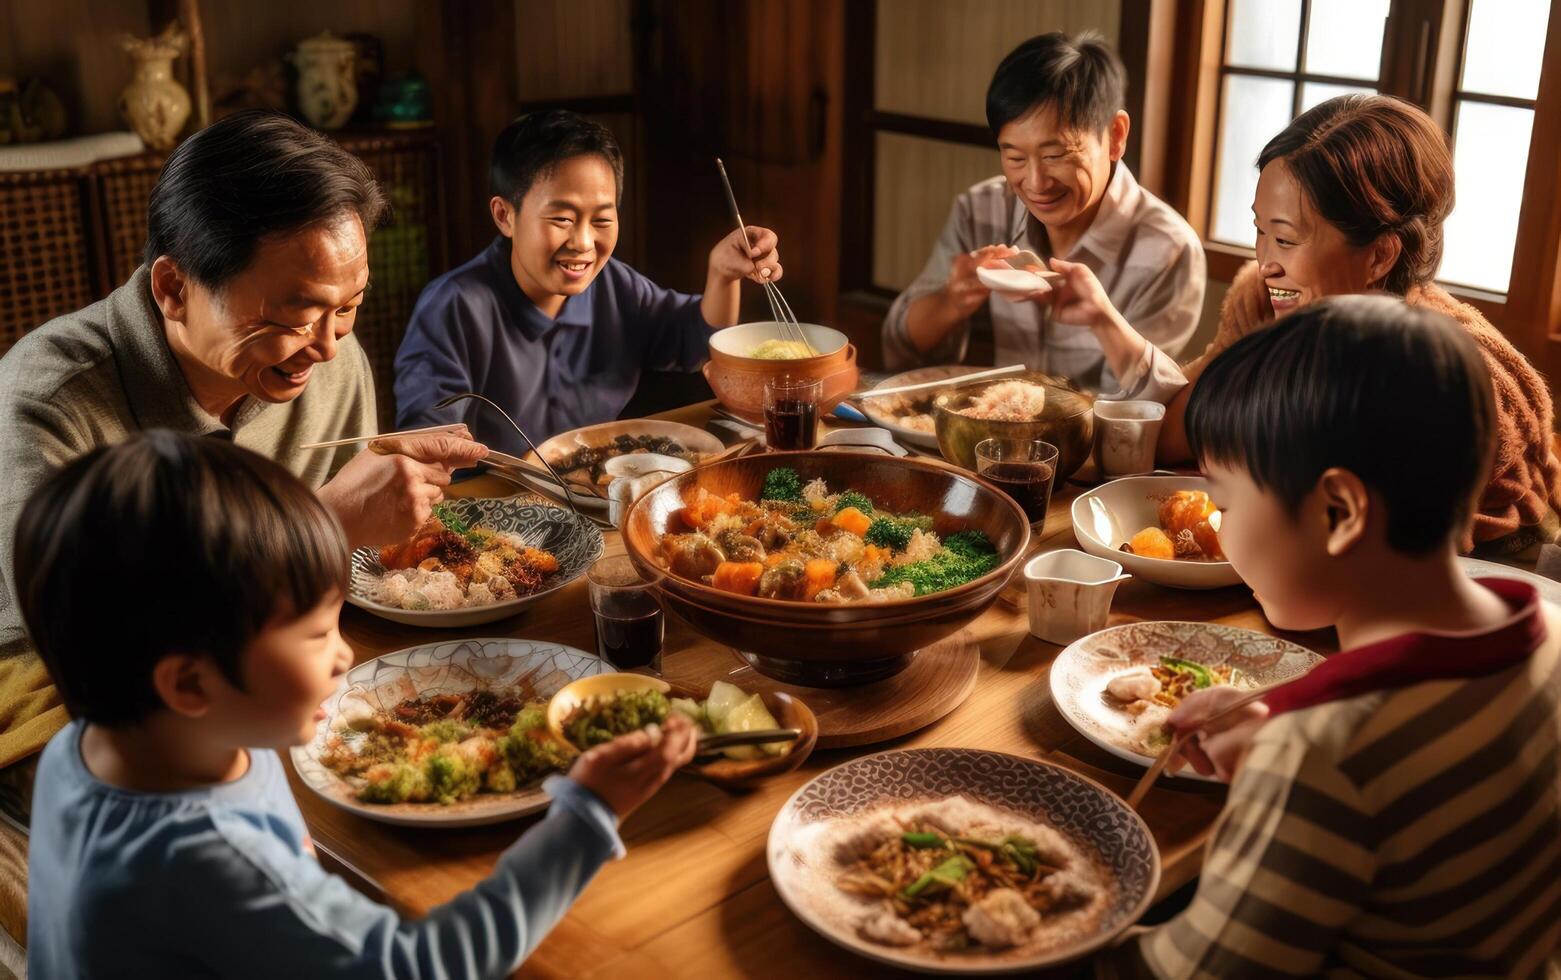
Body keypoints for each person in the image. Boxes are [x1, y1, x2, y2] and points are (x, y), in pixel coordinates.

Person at [0, 110, 486, 956]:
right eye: (295, 316)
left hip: (268, 682)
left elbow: (338, 590)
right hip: (78, 715)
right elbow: (80, 640)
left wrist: (393, 527)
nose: (326, 349)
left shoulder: (330, 367)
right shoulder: (45, 400)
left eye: (351, 309)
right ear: (172, 288)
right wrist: (324, 523)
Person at [20, 431, 698, 977]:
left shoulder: (93, 744)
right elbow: (421, 965)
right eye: (318, 634)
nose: (344, 656)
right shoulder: (212, 860)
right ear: (190, 685)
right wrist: (586, 815)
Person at [1095, 297, 1561, 978]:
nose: (1220, 529)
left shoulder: (1323, 755)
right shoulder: (1548, 638)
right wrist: (1284, 735)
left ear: (1339, 511)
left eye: (1225, 504)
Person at [1051, 94, 1560, 553]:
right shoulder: (1266, 306)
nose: (1267, 261)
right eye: (1260, 231)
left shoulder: (1453, 376)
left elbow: (1420, 553)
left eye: (1287, 240)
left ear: (1381, 254)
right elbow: (1179, 430)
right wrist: (1102, 318)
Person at [393, 110, 784, 453]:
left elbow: (698, 341)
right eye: (562, 219)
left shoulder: (615, 286)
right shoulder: (454, 306)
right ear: (504, 215)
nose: (583, 243)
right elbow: (427, 441)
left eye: (601, 220)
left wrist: (723, 273)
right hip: (492, 503)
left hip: (594, 489)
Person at [881, 31, 1204, 394]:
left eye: (1055, 155)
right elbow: (898, 352)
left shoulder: (1168, 250)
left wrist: (1103, 319)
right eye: (1015, 157)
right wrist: (951, 302)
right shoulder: (982, 210)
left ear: (1115, 136)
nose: (1035, 183)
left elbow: (1137, 414)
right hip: (993, 436)